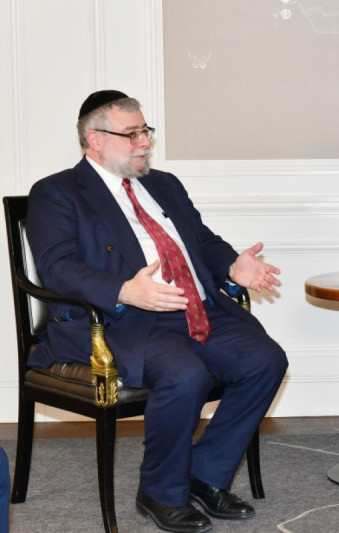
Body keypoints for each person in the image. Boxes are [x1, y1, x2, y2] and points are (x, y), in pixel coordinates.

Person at [26, 90, 289, 533]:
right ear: (95, 139)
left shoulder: (164, 184)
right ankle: (160, 492)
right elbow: (57, 268)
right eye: (131, 134)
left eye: (145, 131)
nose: (145, 142)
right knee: (186, 374)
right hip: (124, 320)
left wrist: (232, 265)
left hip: (196, 306)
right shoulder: (57, 192)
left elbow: (201, 240)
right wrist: (125, 290)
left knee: (265, 360)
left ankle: (205, 475)